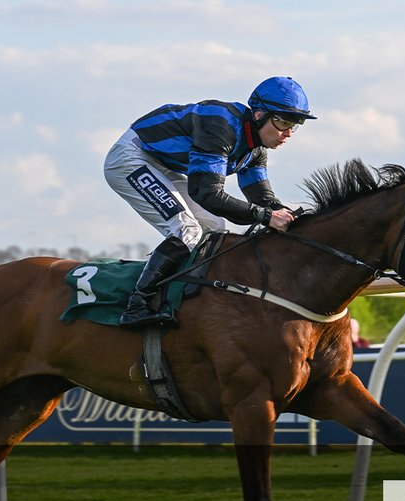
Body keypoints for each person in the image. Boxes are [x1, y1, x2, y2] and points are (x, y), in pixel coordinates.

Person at [104, 76, 317, 327]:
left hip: (159, 164)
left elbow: (262, 199)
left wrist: (288, 215)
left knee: (214, 228)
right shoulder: (221, 126)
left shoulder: (255, 150)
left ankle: (183, 296)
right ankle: (136, 305)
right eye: (283, 121)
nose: (289, 133)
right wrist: (267, 217)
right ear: (259, 115)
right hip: (131, 157)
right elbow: (207, 194)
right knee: (187, 230)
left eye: (296, 124)